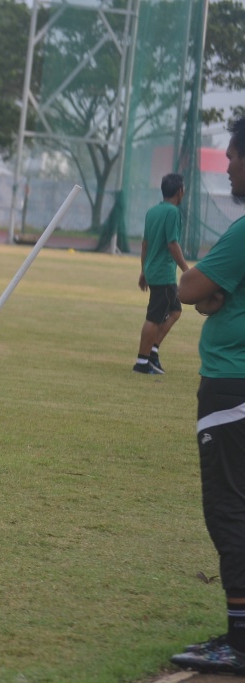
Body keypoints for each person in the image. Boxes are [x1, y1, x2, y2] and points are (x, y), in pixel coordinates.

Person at [169, 115, 245, 676]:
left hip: (231, 386)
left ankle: (239, 641)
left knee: (228, 510)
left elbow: (191, 287)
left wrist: (206, 292)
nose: (228, 165)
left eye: (232, 155)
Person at [134, 173, 190, 375]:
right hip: (164, 274)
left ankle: (153, 351)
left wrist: (144, 270)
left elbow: (145, 244)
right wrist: (187, 270)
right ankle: (141, 362)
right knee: (154, 317)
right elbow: (172, 243)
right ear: (180, 191)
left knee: (175, 311)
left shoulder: (152, 212)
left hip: (153, 271)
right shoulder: (173, 213)